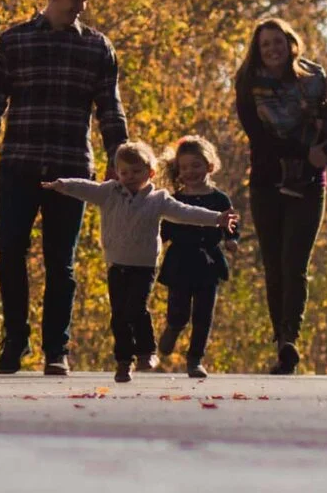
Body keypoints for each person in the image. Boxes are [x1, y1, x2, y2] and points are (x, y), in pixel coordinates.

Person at [0, 0, 129, 376]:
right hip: (20, 163)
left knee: (62, 261)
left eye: (86, 0)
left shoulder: (97, 47)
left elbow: (109, 108)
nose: (82, 7)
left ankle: (56, 349)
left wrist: (118, 158)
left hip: (72, 167)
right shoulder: (15, 42)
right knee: (10, 254)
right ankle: (14, 340)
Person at [43, 140, 237, 382]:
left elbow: (185, 213)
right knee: (119, 315)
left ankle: (146, 350)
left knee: (135, 309)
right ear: (117, 173)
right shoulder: (109, 192)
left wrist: (217, 219)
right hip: (116, 264)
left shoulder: (159, 200)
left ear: (150, 173)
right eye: (124, 172)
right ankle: (124, 361)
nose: (130, 177)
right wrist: (62, 185)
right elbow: (86, 188)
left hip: (144, 266)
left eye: (136, 172)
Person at [234, 18, 327, 374]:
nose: (272, 49)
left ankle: (291, 338)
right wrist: (306, 151)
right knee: (273, 266)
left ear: (290, 44)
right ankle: (280, 342)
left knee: (295, 265)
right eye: (265, 44)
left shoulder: (314, 81)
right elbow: (259, 136)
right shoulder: (249, 85)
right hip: (266, 182)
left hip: (307, 183)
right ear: (258, 51)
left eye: (277, 42)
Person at [153, 134, 235, 380]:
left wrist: (232, 239)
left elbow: (230, 223)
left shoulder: (219, 199)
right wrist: (153, 245)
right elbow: (164, 230)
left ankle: (195, 359)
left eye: (196, 165)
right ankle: (173, 327)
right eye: (184, 167)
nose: (190, 172)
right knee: (178, 309)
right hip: (179, 261)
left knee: (204, 314)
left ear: (209, 166)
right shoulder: (174, 200)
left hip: (208, 262)